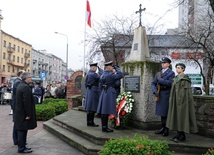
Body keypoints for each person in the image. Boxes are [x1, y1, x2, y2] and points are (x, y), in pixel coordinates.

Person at [166, 63, 198, 143]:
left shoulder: (185, 79)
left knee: (181, 118)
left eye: (179, 68)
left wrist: (181, 101)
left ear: (183, 69)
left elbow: (185, 93)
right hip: (176, 101)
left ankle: (182, 135)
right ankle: (178, 134)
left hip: (182, 103)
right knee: (177, 118)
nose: (177, 69)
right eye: (176, 68)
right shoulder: (176, 78)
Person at [97, 61, 124, 132]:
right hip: (109, 92)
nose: (113, 68)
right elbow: (121, 75)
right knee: (106, 111)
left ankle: (104, 126)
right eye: (112, 67)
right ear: (109, 67)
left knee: (104, 110)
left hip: (104, 92)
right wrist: (117, 68)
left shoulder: (103, 74)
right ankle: (104, 127)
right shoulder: (110, 75)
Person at [151, 57, 175, 136]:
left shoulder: (171, 73)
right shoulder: (159, 73)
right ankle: (162, 127)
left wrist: (160, 80)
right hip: (159, 94)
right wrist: (154, 91)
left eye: (164, 63)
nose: (162, 64)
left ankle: (166, 129)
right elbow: (153, 83)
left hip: (166, 94)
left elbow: (170, 83)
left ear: (168, 64)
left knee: (166, 113)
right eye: (162, 63)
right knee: (161, 113)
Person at [14, 72, 37, 153]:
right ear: (26, 78)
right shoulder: (25, 87)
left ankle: (23, 146)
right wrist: (28, 114)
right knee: (22, 131)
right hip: (23, 114)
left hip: (20, 113)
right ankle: (21, 148)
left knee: (22, 131)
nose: (31, 78)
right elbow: (26, 102)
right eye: (30, 77)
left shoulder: (21, 85)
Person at [84, 62, 103, 127]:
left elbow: (85, 84)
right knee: (92, 107)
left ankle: (88, 122)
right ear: (93, 67)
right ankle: (91, 122)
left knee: (89, 107)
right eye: (95, 68)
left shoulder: (88, 74)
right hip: (94, 91)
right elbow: (101, 77)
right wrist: (101, 71)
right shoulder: (93, 74)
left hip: (89, 91)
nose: (96, 69)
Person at [12, 70, 25, 146]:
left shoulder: (17, 81)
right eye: (24, 73)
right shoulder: (18, 82)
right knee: (17, 123)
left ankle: (17, 140)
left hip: (16, 105)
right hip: (17, 105)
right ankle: (17, 140)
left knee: (16, 123)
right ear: (20, 74)